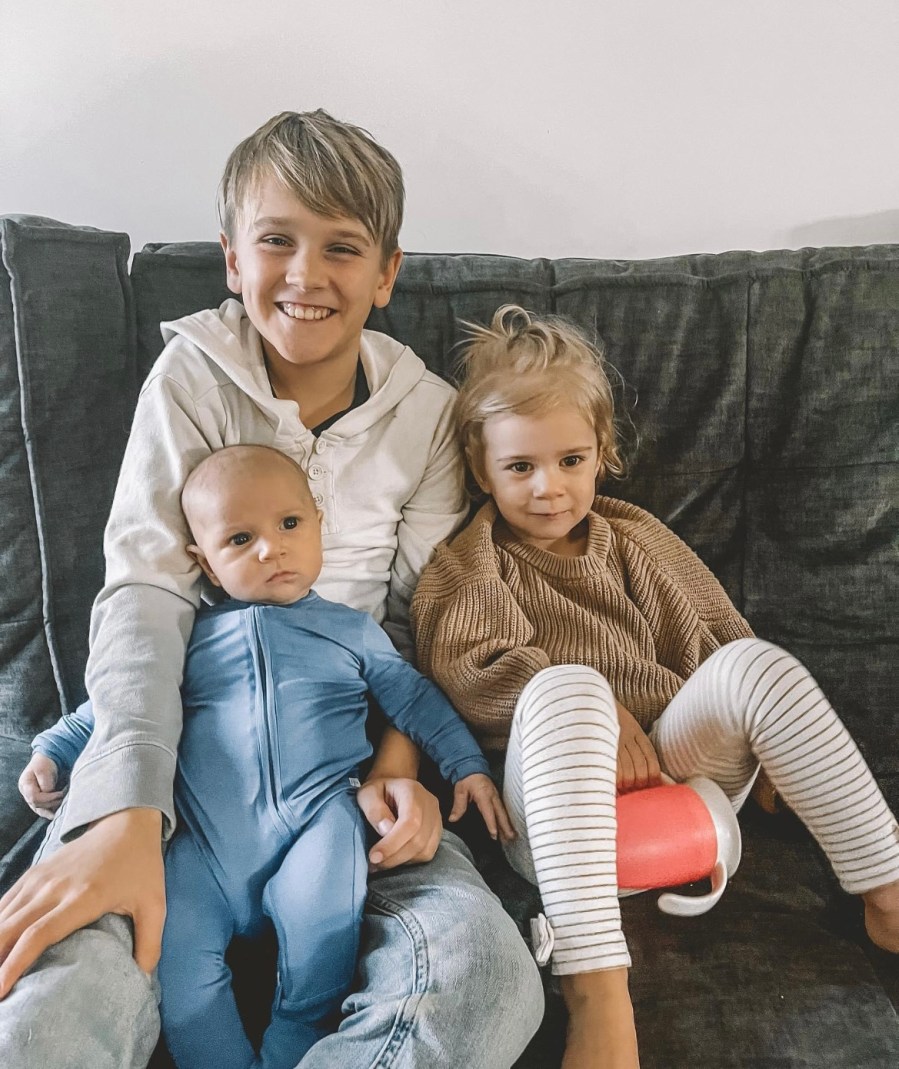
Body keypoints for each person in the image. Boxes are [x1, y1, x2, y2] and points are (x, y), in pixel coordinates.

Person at [0, 112, 543, 1069]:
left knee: (488, 979)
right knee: (41, 999)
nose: (305, 274)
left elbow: (414, 628)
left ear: (387, 273)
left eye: (342, 247)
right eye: (277, 240)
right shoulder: (190, 377)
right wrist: (126, 806)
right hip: (172, 773)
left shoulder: (426, 415)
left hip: (342, 782)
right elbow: (146, 596)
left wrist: (398, 769)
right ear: (231, 258)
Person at [410, 305, 899, 1069]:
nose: (548, 488)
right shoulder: (468, 565)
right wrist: (602, 712)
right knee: (567, 685)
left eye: (570, 460)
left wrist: (772, 753)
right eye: (519, 467)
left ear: (601, 452)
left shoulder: (635, 535)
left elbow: (719, 635)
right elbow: (468, 671)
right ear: (481, 470)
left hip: (680, 777)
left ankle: (886, 893)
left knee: (756, 663)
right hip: (558, 815)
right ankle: (595, 992)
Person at [20, 444, 513, 1069]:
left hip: (316, 822)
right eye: (240, 539)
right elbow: (114, 702)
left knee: (321, 929)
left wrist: (467, 765)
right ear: (205, 563)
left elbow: (415, 699)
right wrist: (54, 750)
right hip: (202, 842)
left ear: (318, 526)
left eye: (289, 524)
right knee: (175, 960)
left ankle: (292, 1042)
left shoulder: (352, 631)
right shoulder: (188, 638)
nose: (270, 550)